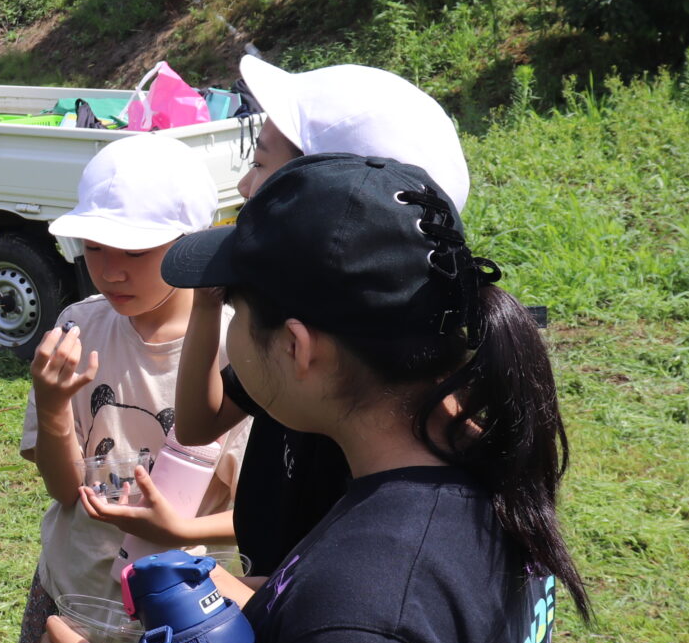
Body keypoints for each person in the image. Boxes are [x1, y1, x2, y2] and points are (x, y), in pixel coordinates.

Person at [23, 152, 590, 643]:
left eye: (235, 314)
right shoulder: (482, 495)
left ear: (296, 347)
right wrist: (238, 597)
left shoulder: (368, 598)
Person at [11, 133, 242, 643]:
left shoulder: (234, 355)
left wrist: (184, 528)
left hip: (165, 625)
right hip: (77, 595)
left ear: (190, 245)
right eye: (95, 245)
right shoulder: (82, 324)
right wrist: (50, 410)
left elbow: (258, 518)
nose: (110, 268)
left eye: (135, 252)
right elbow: (67, 490)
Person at [170, 56, 471, 577]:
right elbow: (198, 425)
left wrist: (216, 605)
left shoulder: (364, 418)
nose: (245, 186)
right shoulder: (306, 345)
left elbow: (327, 594)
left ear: (332, 194)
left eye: (261, 164)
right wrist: (207, 301)